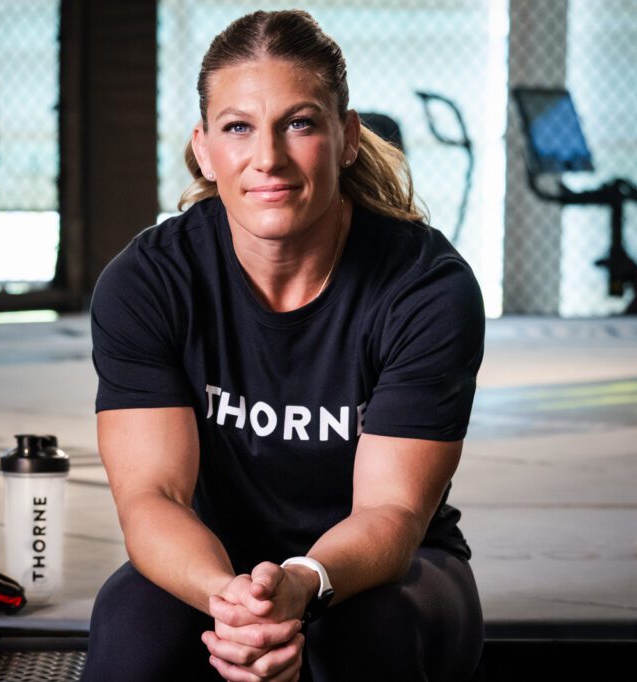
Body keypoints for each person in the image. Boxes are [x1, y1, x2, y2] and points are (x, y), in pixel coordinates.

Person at [83, 9, 485, 682]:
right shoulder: (149, 281)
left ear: (347, 137)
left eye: (299, 124)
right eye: (238, 127)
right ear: (204, 149)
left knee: (367, 637)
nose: (267, 157)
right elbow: (154, 497)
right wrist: (230, 601)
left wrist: (302, 584)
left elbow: (391, 511)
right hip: (211, 563)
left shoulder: (425, 288)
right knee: (132, 634)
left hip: (380, 570)